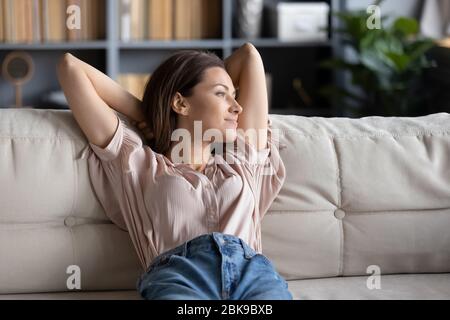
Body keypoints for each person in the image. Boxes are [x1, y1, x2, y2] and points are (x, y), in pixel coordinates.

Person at [56, 43, 292, 300]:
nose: (237, 107)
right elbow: (71, 67)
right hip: (180, 276)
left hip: (251, 276)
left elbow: (248, 55)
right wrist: (147, 114)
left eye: (234, 95)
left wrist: (212, 85)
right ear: (180, 102)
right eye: (222, 94)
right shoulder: (138, 163)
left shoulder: (242, 160)